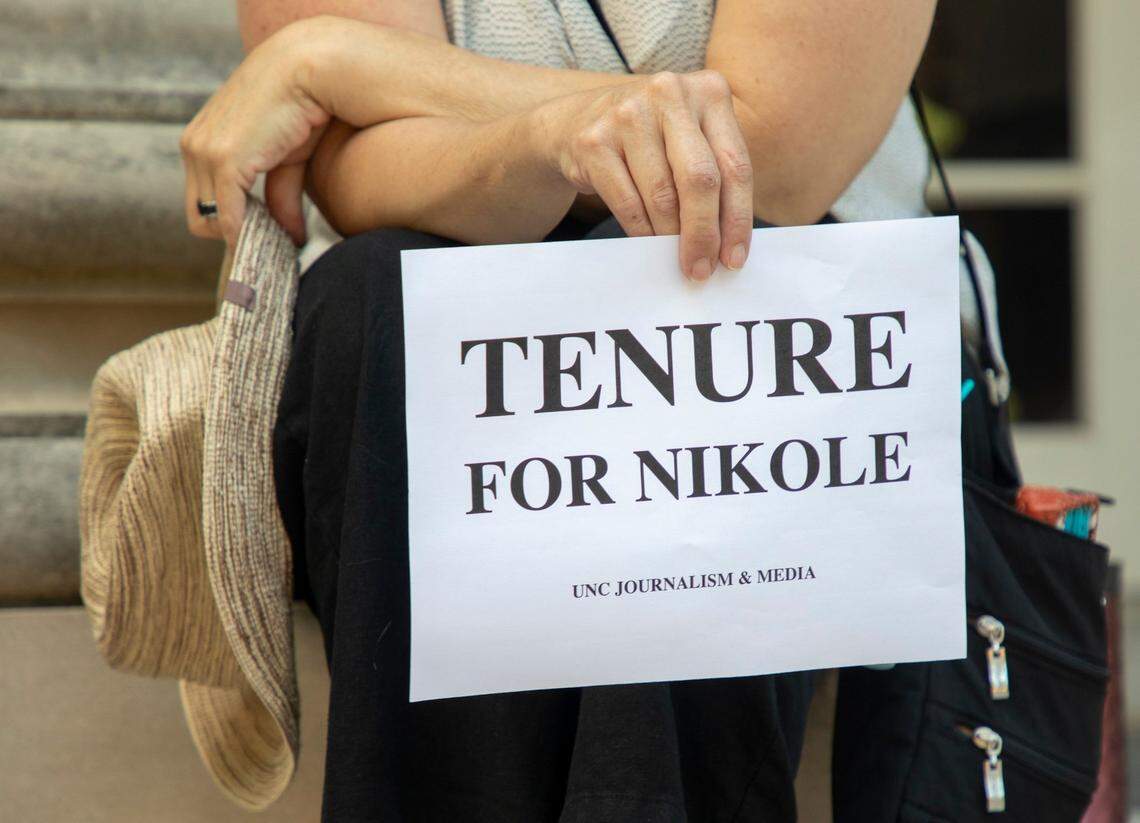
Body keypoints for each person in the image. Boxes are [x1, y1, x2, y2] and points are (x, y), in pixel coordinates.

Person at [180, 1, 938, 819]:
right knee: (382, 287)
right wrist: (551, 138)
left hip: (794, 360)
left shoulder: (327, 60)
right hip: (424, 374)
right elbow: (355, 175)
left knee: (665, 293)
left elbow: (773, 162)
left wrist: (338, 61)